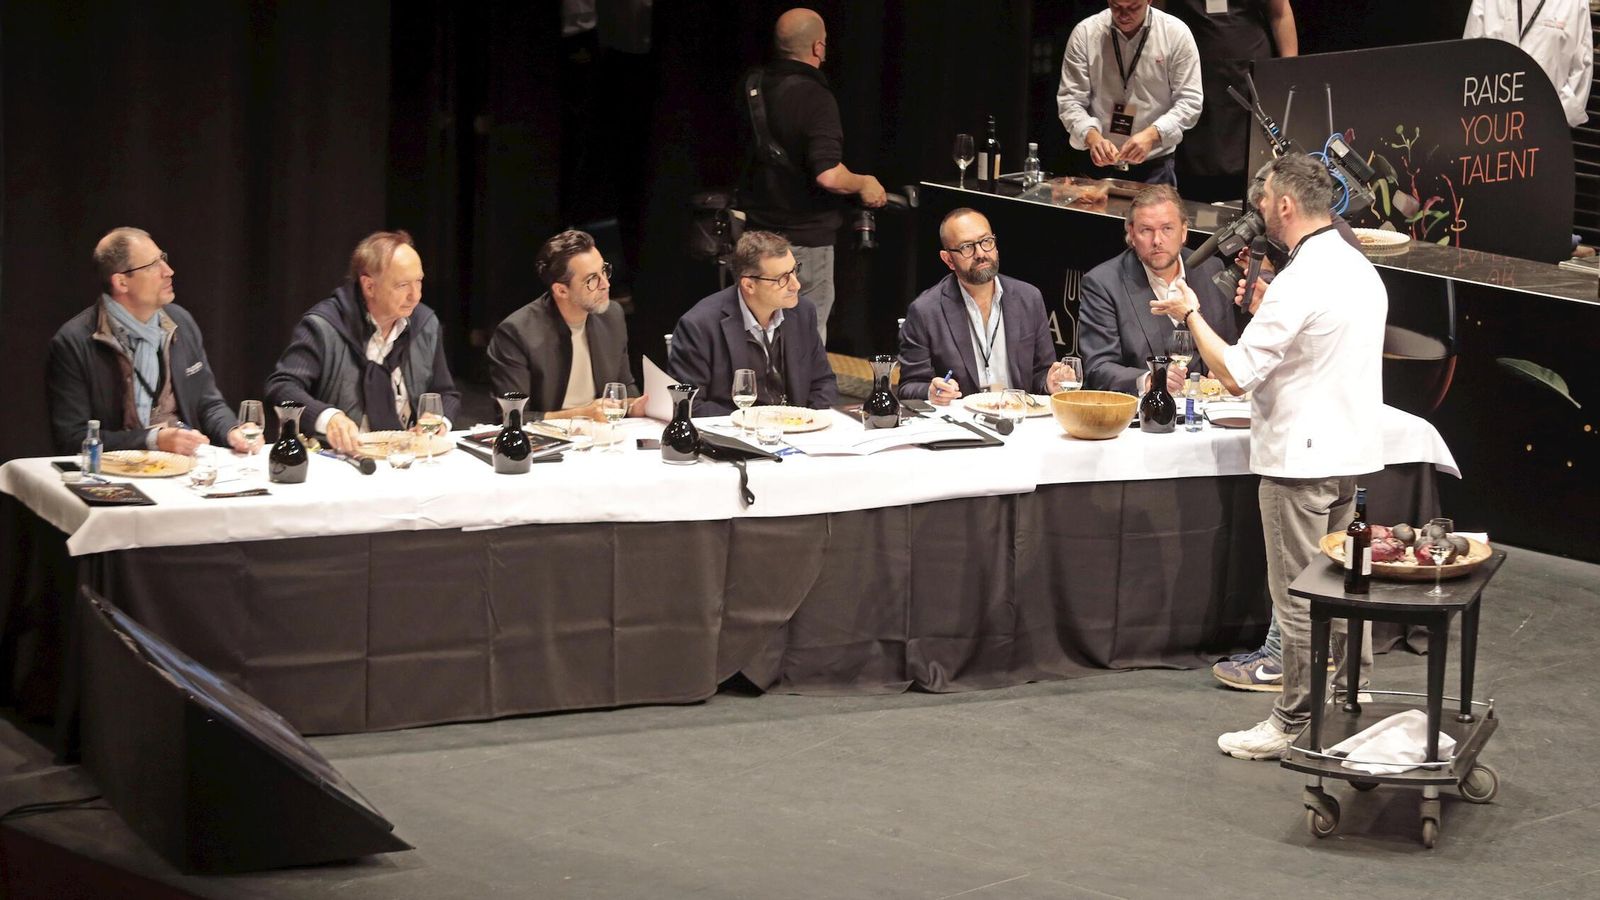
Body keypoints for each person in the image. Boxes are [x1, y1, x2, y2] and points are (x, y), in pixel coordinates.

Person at [1150, 153, 1385, 760]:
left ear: (1284, 203)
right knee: (1344, 588)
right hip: (1348, 456)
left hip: (1299, 463)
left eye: (1263, 199)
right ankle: (1350, 701)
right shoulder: (1358, 266)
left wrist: (1190, 312)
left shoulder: (1300, 280)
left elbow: (1235, 375)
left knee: (1300, 600)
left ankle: (1291, 722)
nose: (1257, 208)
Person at [739, 6, 887, 343]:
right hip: (803, 243)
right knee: (804, 340)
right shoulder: (815, 96)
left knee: (757, 335)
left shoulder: (751, 87)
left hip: (754, 236)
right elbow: (828, 175)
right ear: (818, 47)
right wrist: (864, 183)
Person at [48, 227, 258, 456]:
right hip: (116, 470)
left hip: (183, 465)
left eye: (163, 259)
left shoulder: (181, 323)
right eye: (152, 265)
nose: (168, 271)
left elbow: (206, 403)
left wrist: (232, 430)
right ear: (121, 282)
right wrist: (153, 440)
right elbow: (73, 438)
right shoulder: (74, 342)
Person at [265, 230, 461, 456]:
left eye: (418, 281)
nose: (415, 296)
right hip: (339, 458)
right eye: (402, 285)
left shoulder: (425, 324)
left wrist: (439, 419)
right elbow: (282, 387)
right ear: (369, 286)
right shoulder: (323, 326)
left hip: (409, 456)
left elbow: (446, 394)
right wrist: (328, 418)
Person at [1079, 185, 1242, 395]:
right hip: (1145, 410)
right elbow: (1098, 367)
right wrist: (1149, 380)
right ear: (1131, 234)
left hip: (1209, 406)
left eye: (1167, 228)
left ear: (1184, 231)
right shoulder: (1103, 284)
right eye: (1146, 230)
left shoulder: (1211, 270)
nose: (1157, 240)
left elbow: (1230, 346)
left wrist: (1219, 369)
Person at [897, 209, 1072, 404]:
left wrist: (1050, 382)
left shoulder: (1029, 298)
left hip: (1019, 414)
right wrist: (932, 391)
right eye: (967, 247)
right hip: (962, 418)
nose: (980, 253)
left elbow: (1041, 373)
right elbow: (909, 386)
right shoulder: (925, 310)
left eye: (986, 241)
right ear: (948, 259)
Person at [669, 230, 837, 417]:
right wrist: (755, 422)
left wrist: (808, 421)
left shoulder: (803, 312)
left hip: (796, 427)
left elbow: (823, 382)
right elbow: (689, 404)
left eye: (794, 270)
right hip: (734, 429)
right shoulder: (699, 325)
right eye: (782, 279)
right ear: (749, 285)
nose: (796, 285)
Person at [487, 230, 647, 421]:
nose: (605, 284)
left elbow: (625, 385)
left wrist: (634, 406)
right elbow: (512, 416)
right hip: (547, 436)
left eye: (604, 270)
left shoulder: (611, 315)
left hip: (603, 431)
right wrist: (581, 414)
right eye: (591, 279)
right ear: (561, 290)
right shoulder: (516, 333)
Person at [1056, 0, 1204, 185]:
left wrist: (1152, 135)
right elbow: (1070, 101)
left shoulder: (1175, 33)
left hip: (1154, 167)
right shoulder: (1086, 33)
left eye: (1133, 7)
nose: (1124, 15)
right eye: (1116, 6)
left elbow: (1190, 101)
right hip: (1096, 164)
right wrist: (1091, 137)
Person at [1165, 0, 1298, 202]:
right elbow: (1158, 10)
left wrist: (1290, 69)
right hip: (1194, 72)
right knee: (1196, 156)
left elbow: (1280, 13)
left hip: (1248, 73)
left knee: (1252, 157)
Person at [1465, 0, 1593, 128]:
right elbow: (1469, 60)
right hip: (1489, 122)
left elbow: (1582, 66)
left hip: (1546, 123)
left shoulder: (1575, 3)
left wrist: (1554, 117)